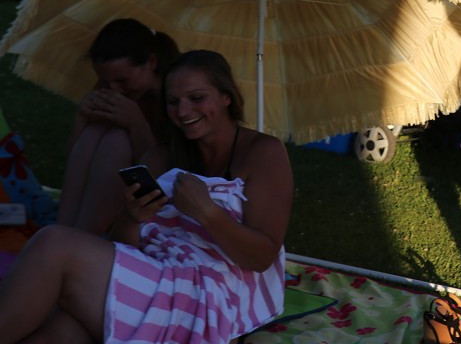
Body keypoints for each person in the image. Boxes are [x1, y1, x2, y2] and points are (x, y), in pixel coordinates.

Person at [0, 49, 292, 342]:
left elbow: (262, 257)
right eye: (173, 101)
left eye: (197, 98)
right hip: (155, 275)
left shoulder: (262, 153)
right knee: (62, 332)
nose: (183, 111)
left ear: (226, 96)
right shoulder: (160, 158)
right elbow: (125, 251)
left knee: (54, 243)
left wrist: (208, 212)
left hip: (207, 296)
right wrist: (130, 218)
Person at [54, 19, 181, 234]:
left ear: (151, 62)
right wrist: (82, 118)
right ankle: (62, 231)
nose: (114, 89)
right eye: (105, 81)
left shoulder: (175, 100)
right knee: (97, 130)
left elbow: (162, 174)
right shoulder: (114, 88)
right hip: (109, 199)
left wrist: (136, 123)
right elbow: (76, 156)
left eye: (122, 80)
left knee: (117, 140)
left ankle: (80, 238)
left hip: (155, 200)